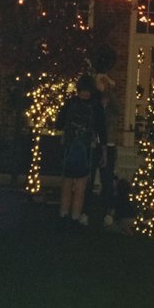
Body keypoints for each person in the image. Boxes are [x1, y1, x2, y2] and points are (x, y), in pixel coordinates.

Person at [54, 75, 106, 226]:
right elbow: (101, 130)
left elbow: (59, 124)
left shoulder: (71, 103)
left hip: (72, 147)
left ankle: (64, 214)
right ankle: (74, 217)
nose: (85, 93)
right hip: (84, 148)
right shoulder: (95, 106)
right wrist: (103, 150)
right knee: (79, 185)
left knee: (68, 183)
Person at [89, 69, 121, 228]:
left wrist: (108, 92)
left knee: (107, 179)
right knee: (89, 178)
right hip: (95, 144)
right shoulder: (95, 102)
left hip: (109, 145)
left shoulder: (112, 103)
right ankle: (86, 211)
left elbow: (118, 110)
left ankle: (108, 211)